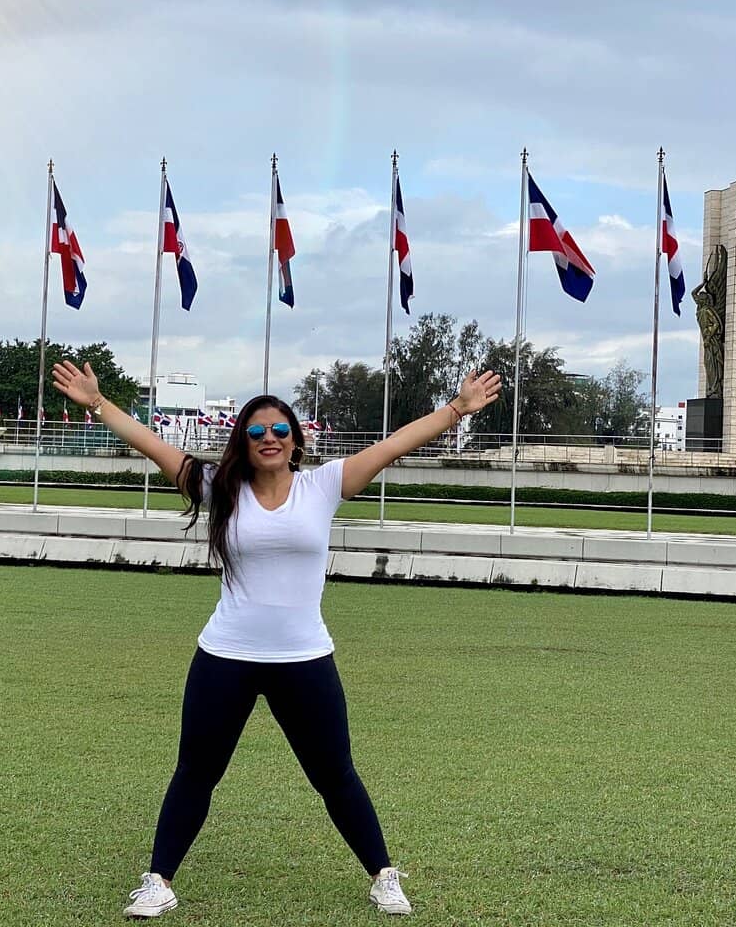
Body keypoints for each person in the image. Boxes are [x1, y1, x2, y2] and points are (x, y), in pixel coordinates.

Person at [52, 360, 502, 919]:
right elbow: (150, 442)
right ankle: (158, 880)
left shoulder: (323, 485)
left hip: (304, 659)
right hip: (225, 657)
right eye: (258, 431)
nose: (270, 438)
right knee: (196, 770)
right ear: (243, 440)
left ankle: (383, 875)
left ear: (296, 441)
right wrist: (98, 404)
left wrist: (456, 409)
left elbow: (393, 445)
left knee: (334, 773)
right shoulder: (219, 486)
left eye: (281, 430)